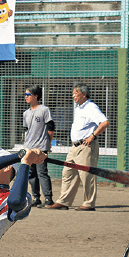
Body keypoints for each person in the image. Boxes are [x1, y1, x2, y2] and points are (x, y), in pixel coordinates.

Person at [46, 83, 109, 211]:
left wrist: (92, 136)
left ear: (84, 94)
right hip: (74, 147)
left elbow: (104, 122)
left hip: (86, 146)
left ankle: (88, 204)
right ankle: (63, 202)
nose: (73, 95)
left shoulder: (91, 107)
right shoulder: (79, 108)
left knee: (86, 175)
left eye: (76, 92)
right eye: (73, 92)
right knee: (68, 172)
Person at [23, 84, 55, 207]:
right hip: (29, 147)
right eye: (25, 94)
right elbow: (26, 130)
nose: (25, 97)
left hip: (41, 147)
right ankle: (36, 198)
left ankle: (48, 199)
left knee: (42, 173)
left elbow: (50, 128)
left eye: (28, 94)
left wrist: (48, 143)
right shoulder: (26, 113)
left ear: (36, 96)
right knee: (31, 174)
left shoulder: (44, 110)